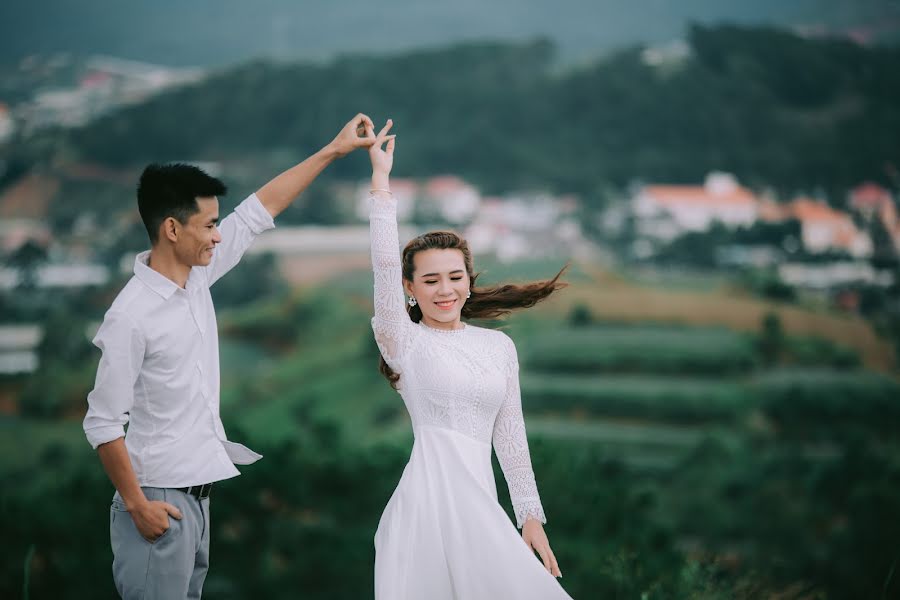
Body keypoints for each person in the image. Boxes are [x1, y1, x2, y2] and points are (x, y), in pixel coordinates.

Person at [82, 114, 376, 599]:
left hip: (199, 497)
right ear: (172, 229)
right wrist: (137, 505)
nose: (219, 235)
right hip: (157, 499)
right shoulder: (130, 316)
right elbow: (102, 421)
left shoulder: (197, 277)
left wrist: (333, 151)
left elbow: (260, 210)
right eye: (209, 225)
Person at [365, 119, 573, 599]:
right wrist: (381, 182)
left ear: (470, 280)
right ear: (409, 290)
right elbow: (381, 264)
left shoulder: (498, 347)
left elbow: (512, 437)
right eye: (430, 280)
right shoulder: (403, 341)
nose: (445, 290)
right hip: (428, 509)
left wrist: (530, 517)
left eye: (455, 277)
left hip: (483, 508)